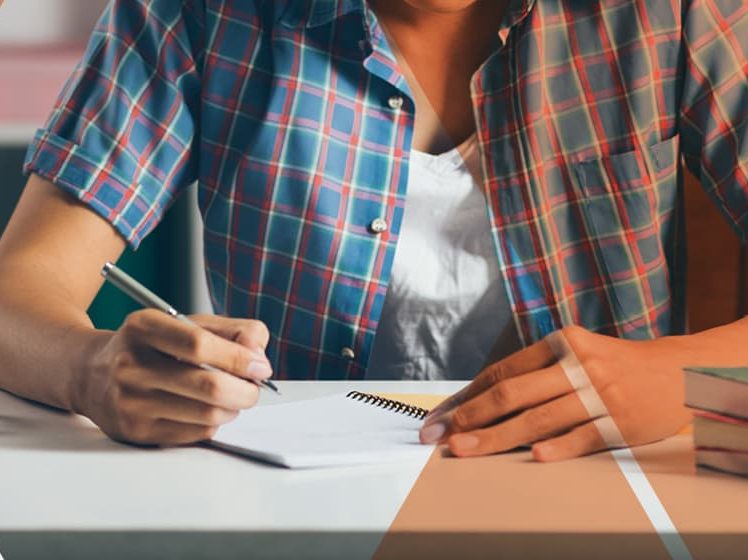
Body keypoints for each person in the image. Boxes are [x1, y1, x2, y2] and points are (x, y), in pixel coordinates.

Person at [0, 0, 747, 460]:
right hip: (290, 511)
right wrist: (90, 371)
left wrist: (683, 384)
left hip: (593, 496)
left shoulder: (673, 9)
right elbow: (19, 289)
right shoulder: (198, 10)